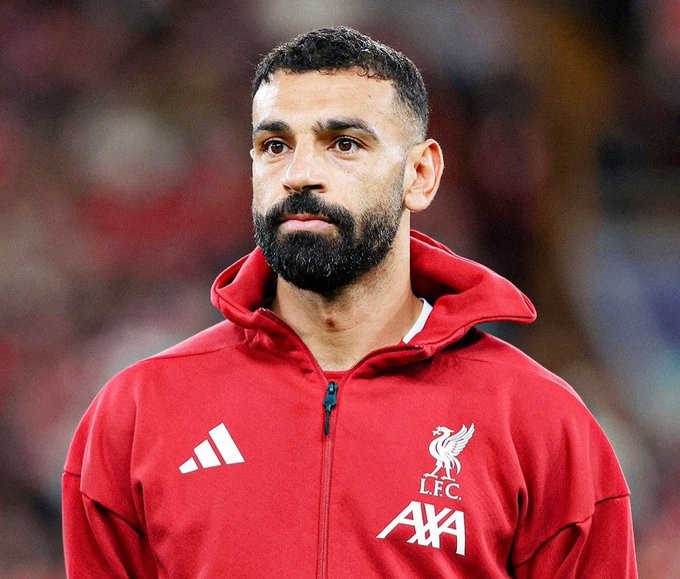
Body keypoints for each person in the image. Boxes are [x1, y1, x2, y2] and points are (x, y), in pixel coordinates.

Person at [62, 26, 637, 578]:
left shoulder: (539, 422)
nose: (299, 175)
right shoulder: (138, 415)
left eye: (344, 143)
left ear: (420, 174)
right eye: (274, 145)